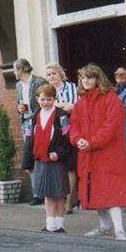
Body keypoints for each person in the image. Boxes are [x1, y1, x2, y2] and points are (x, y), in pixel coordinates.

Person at [69, 63, 126, 241]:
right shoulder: (80, 103)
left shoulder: (111, 99)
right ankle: (104, 226)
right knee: (95, 190)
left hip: (108, 154)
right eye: (83, 77)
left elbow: (111, 127)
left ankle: (119, 230)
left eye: (89, 77)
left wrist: (91, 142)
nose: (85, 80)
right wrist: (78, 139)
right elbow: (74, 126)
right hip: (88, 154)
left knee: (111, 191)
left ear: (98, 79)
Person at [21, 84, 74, 233]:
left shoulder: (62, 116)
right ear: (37, 99)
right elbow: (28, 141)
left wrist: (59, 153)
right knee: (47, 194)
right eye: (43, 99)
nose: (45, 102)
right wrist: (27, 162)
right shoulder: (32, 119)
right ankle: (50, 224)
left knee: (59, 194)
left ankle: (60, 225)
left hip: (57, 161)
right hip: (40, 160)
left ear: (54, 99)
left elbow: (68, 139)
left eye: (49, 99)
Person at [45, 62, 79, 213]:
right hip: (55, 132)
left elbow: (75, 105)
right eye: (49, 74)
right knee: (59, 166)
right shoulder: (48, 91)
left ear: (60, 74)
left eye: (54, 73)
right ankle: (62, 199)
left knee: (70, 166)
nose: (51, 77)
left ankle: (70, 201)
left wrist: (67, 107)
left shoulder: (71, 87)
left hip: (70, 128)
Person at [14, 59, 47, 205]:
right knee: (30, 156)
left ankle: (46, 191)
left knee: (41, 155)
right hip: (26, 123)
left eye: (15, 69)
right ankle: (37, 194)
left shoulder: (39, 82)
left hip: (39, 123)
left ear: (20, 69)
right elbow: (19, 103)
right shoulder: (18, 85)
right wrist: (19, 108)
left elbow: (46, 101)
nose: (14, 73)